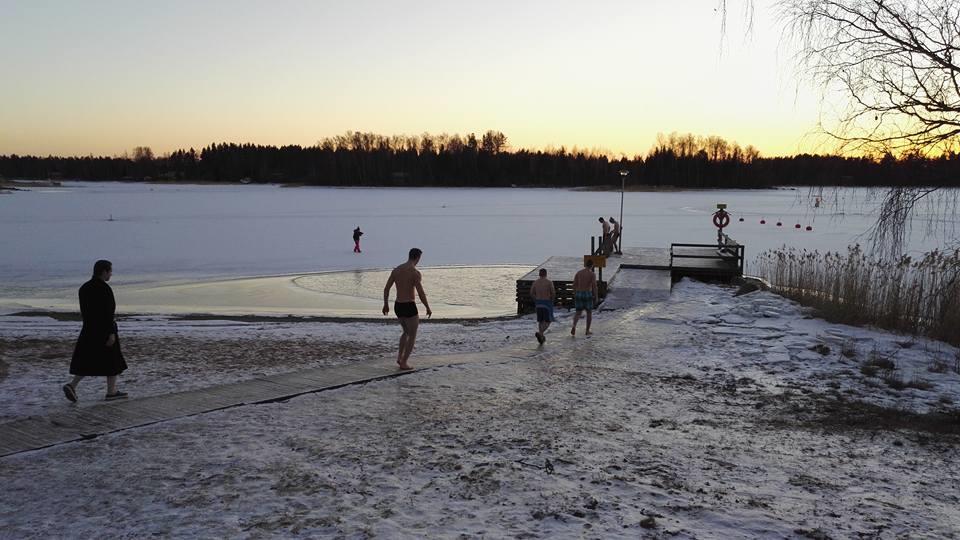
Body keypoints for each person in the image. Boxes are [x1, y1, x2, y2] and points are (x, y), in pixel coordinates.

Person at [62, 259, 128, 402]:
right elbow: (108, 312)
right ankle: (111, 392)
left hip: (89, 330)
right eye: (110, 271)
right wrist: (111, 333)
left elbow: (85, 312)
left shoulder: (84, 288)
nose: (111, 274)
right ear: (104, 271)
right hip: (104, 331)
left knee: (87, 360)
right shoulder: (104, 288)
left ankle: (72, 385)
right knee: (113, 361)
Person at [383, 248, 432, 370]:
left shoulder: (397, 270)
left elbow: (386, 289)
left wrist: (386, 304)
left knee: (405, 332)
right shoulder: (414, 273)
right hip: (409, 305)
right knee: (412, 335)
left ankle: (400, 358)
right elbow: (420, 293)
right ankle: (404, 362)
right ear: (418, 258)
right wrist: (427, 307)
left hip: (398, 305)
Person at [571, 258, 598, 337]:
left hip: (579, 293)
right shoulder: (592, 274)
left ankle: (574, 326)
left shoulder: (579, 273)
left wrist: (575, 294)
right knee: (589, 312)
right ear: (592, 266)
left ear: (585, 265)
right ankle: (587, 330)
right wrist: (596, 296)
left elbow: (574, 285)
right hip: (587, 293)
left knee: (578, 312)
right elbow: (594, 286)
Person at [529, 268, 556, 345]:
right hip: (547, 303)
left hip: (538, 303)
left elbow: (531, 293)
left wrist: (536, 300)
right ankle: (540, 333)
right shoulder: (549, 282)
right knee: (548, 321)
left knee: (541, 321)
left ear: (539, 274)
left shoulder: (535, 282)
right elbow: (553, 293)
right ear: (546, 274)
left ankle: (541, 337)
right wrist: (552, 301)